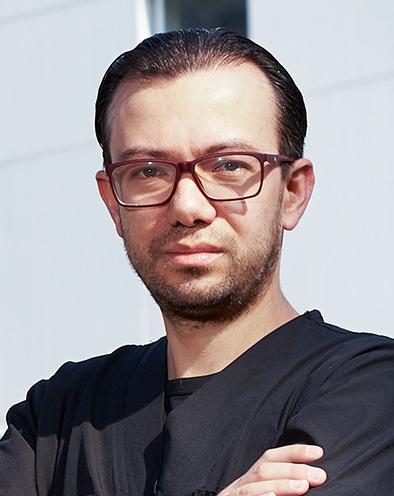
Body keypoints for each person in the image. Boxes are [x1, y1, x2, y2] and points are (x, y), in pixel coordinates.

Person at [1, 28, 393, 496]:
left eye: (229, 165)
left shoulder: (372, 395)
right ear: (113, 203)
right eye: (147, 171)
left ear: (292, 192)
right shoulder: (56, 420)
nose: (188, 207)